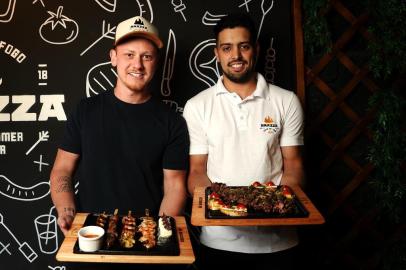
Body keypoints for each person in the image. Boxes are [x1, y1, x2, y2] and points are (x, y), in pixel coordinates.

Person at [183, 13, 304, 269]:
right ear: (217, 53)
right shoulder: (197, 106)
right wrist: (225, 207)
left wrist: (274, 206)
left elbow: (293, 166)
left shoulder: (286, 100)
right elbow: (196, 172)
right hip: (219, 243)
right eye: (227, 48)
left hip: (279, 242)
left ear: (256, 50)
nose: (235, 56)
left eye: (244, 46)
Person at [50, 16, 189, 237]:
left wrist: (159, 234)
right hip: (89, 235)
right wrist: (66, 211)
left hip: (144, 238)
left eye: (147, 56)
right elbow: (62, 170)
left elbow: (175, 187)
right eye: (129, 55)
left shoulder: (172, 121)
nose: (138, 65)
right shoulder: (85, 111)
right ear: (113, 58)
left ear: (157, 62)